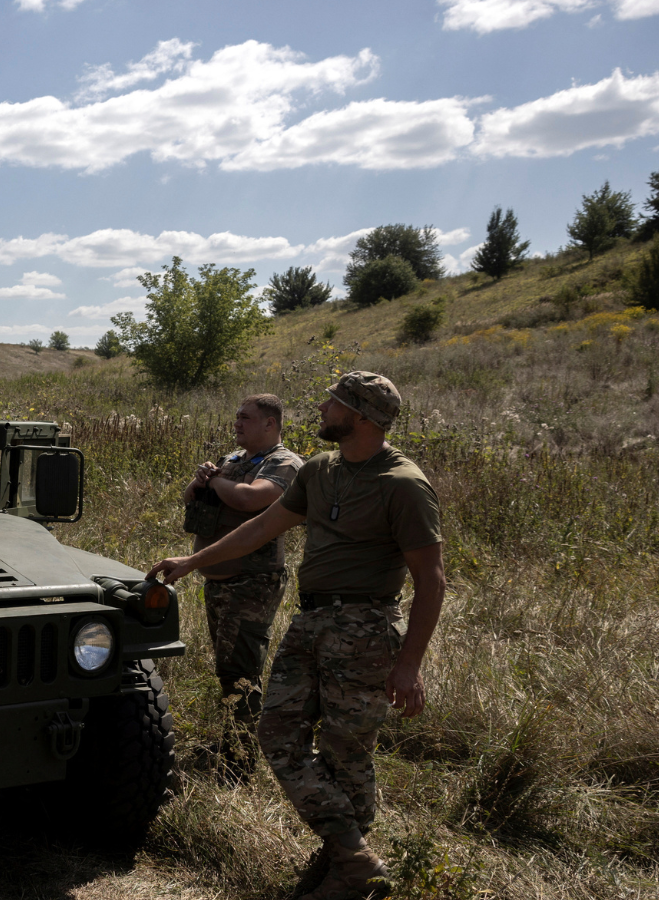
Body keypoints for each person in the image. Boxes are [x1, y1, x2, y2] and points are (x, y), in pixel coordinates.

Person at [149, 372, 445, 900]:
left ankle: (341, 869)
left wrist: (409, 665)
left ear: (360, 417)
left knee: (346, 750)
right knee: (275, 732)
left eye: (332, 403)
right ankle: (353, 856)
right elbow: (262, 528)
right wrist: (194, 561)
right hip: (310, 622)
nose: (322, 409)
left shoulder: (403, 484)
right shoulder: (319, 470)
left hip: (366, 629)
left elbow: (431, 580)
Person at [180, 394, 303, 780]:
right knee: (227, 668)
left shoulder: (284, 463)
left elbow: (253, 500)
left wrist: (215, 480)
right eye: (236, 417)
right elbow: (190, 498)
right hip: (221, 583)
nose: (237, 424)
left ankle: (240, 760)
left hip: (252, 582)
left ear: (270, 423)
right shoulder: (234, 460)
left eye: (246, 418)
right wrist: (201, 481)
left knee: (242, 672)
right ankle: (231, 745)